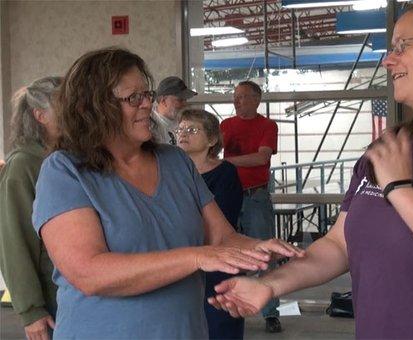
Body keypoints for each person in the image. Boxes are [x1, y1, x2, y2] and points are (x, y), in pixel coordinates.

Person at [209, 1, 413, 337]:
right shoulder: (388, 149)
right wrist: (269, 285)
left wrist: (400, 189)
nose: (388, 59)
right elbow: (339, 245)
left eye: (402, 46)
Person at [31, 47, 304, 339]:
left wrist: (258, 248)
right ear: (93, 107)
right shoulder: (64, 171)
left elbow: (222, 238)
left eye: (147, 94)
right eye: (133, 98)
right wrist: (196, 257)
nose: (147, 104)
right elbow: (89, 272)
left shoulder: (175, 161)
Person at [0, 76, 61, 340]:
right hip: (49, 299)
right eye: (65, 105)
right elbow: (14, 241)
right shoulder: (23, 164)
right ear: (40, 116)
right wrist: (31, 309)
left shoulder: (66, 156)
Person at [176, 108, 245, 339]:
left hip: (217, 263)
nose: (183, 134)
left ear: (212, 139)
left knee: (218, 323)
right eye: (181, 129)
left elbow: (222, 220)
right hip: (181, 263)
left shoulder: (225, 172)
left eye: (192, 129)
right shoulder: (170, 172)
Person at [220, 80, 282, 333]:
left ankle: (271, 312)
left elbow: (262, 157)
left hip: (256, 197)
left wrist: (229, 162)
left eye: (243, 97)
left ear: (257, 99)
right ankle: (234, 306)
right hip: (229, 196)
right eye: (235, 97)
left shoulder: (267, 125)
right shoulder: (225, 126)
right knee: (230, 253)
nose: (237, 101)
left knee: (264, 253)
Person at [151, 76, 197, 144]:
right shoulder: (151, 126)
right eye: (180, 100)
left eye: (185, 100)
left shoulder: (182, 123)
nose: (185, 104)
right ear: (163, 101)